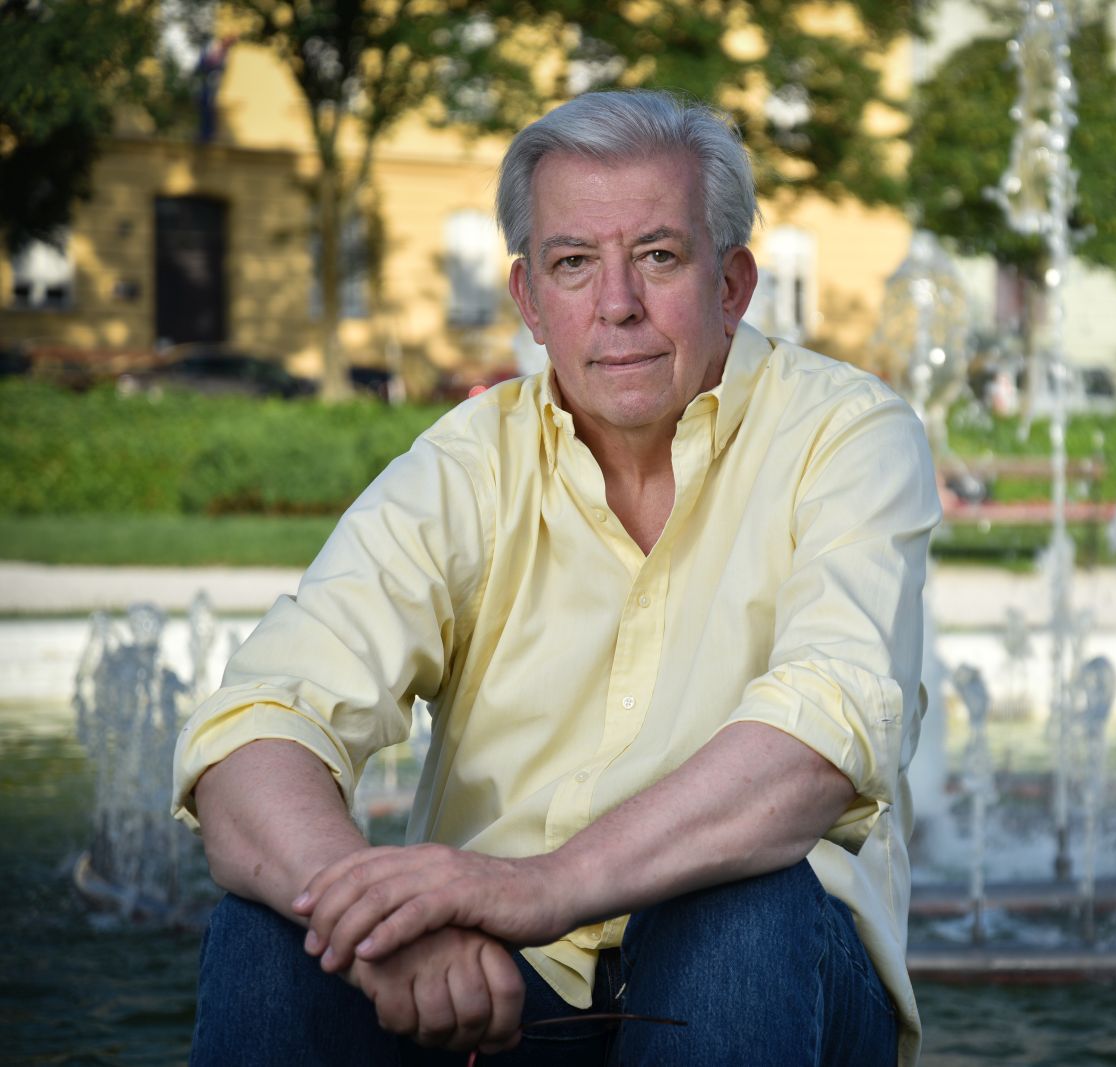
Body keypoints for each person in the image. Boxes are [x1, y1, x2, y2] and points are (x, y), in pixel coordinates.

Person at [172, 89, 940, 1066]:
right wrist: (371, 914)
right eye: (574, 263)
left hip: (766, 979)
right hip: (492, 992)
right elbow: (262, 720)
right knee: (274, 925)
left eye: (658, 256)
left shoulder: (846, 435)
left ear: (734, 281)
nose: (615, 304)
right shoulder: (467, 462)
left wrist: (534, 885)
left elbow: (822, 734)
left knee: (748, 904)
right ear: (530, 298)